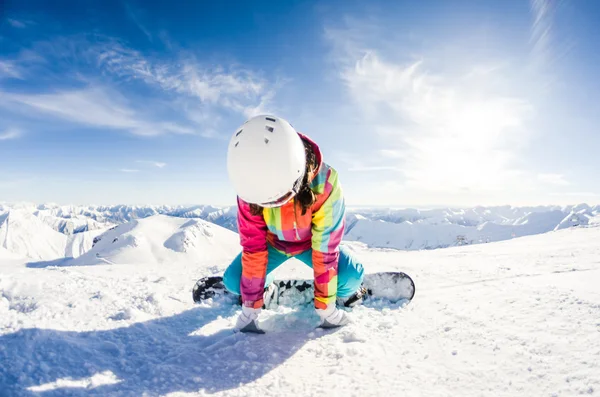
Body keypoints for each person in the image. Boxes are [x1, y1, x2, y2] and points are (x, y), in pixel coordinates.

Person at [224, 114, 366, 333]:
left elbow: (325, 248)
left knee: (351, 277)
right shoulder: (250, 186)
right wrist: (251, 306)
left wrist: (326, 306)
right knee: (234, 282)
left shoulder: (326, 183)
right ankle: (264, 287)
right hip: (274, 245)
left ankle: (343, 293)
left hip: (313, 244)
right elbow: (253, 247)